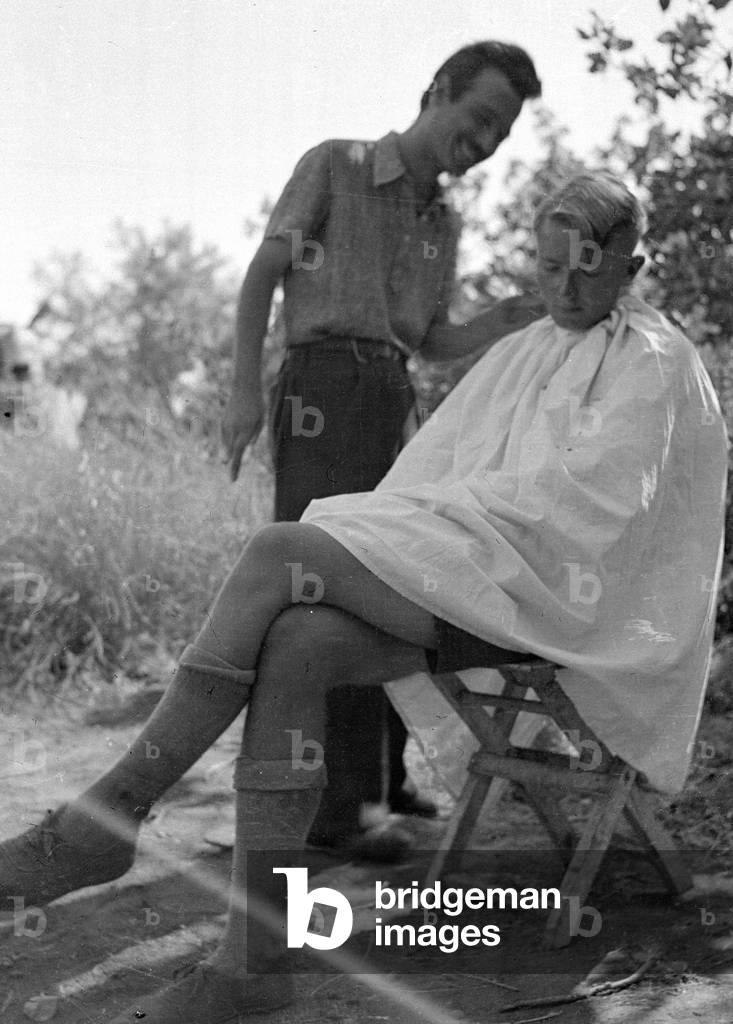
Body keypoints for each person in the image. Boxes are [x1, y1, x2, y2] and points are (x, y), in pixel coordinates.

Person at [0, 174, 727, 1023]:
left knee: (281, 549)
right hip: (482, 575)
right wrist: (422, 531)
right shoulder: (526, 346)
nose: (562, 290)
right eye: (548, 267)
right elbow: (442, 472)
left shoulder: (654, 359)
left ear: (633, 266)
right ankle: (254, 960)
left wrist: (441, 536)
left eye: (588, 273)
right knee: (300, 643)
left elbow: (598, 515)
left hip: (559, 601)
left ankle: (108, 816)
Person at [220, 42, 544, 845]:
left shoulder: (445, 220)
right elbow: (262, 276)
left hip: (394, 400)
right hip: (321, 390)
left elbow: (430, 337)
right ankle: (330, 815)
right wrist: (238, 390)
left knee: (403, 581)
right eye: (479, 118)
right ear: (436, 90)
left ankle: (385, 786)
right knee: (320, 591)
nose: (487, 142)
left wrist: (513, 314)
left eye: (501, 133)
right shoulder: (336, 164)